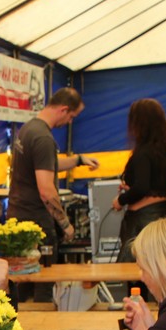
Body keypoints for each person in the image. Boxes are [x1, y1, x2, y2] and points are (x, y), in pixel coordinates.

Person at [8, 87, 100, 264]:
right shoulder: (43, 138)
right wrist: (65, 224)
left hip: (18, 215)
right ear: (64, 109)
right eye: (71, 117)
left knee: (23, 276)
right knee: (44, 278)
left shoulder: (29, 128)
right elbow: (46, 191)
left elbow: (46, 164)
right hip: (36, 223)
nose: (69, 122)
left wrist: (78, 160)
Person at [112, 98, 166, 267]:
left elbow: (142, 187)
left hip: (142, 221)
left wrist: (121, 200)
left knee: (132, 271)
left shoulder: (143, 153)